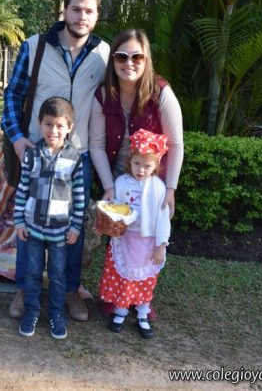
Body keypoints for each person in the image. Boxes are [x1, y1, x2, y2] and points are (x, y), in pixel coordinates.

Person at [2, 0, 110, 322]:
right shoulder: (34, 47)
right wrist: (18, 139)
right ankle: (25, 290)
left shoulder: (104, 54)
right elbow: (12, 95)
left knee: (74, 227)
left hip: (79, 157)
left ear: (97, 15)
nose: (81, 16)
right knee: (30, 224)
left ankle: (70, 292)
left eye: (89, 11)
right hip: (38, 154)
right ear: (64, 10)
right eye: (76, 9)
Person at [89, 28, 184, 320]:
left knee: (148, 239)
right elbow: (96, 144)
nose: (128, 63)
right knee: (118, 237)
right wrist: (108, 186)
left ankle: (142, 298)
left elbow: (176, 144)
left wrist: (170, 189)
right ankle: (118, 295)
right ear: (113, 60)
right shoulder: (103, 94)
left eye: (136, 57)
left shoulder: (161, 92)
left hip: (151, 180)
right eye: (121, 56)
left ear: (146, 60)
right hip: (118, 175)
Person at [13, 97, 85, 339]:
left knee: (57, 275)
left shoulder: (75, 159)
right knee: (33, 272)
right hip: (33, 228)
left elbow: (79, 196)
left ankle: (56, 313)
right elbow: (22, 189)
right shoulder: (31, 156)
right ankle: (32, 311)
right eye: (48, 124)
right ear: (40, 123)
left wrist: (76, 226)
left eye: (59, 125)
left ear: (69, 127)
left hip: (60, 232)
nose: (53, 130)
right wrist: (19, 221)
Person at [98, 128, 171, 339]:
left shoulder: (158, 187)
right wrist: (108, 217)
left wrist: (161, 245)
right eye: (137, 163)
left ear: (156, 166)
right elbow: (116, 207)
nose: (141, 169)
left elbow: (163, 218)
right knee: (124, 277)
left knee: (145, 278)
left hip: (147, 242)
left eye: (147, 166)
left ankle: (142, 313)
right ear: (130, 160)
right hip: (125, 238)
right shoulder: (121, 183)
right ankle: (120, 310)